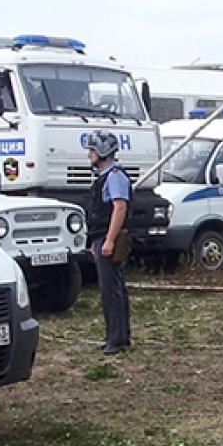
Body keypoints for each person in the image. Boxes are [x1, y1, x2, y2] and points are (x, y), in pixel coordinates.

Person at [86, 129, 132, 356]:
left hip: (108, 238)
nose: (90, 155)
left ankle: (117, 339)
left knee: (111, 290)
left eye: (92, 151)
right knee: (112, 287)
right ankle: (117, 335)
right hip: (101, 237)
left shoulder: (115, 176)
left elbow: (119, 208)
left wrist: (109, 240)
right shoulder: (107, 176)